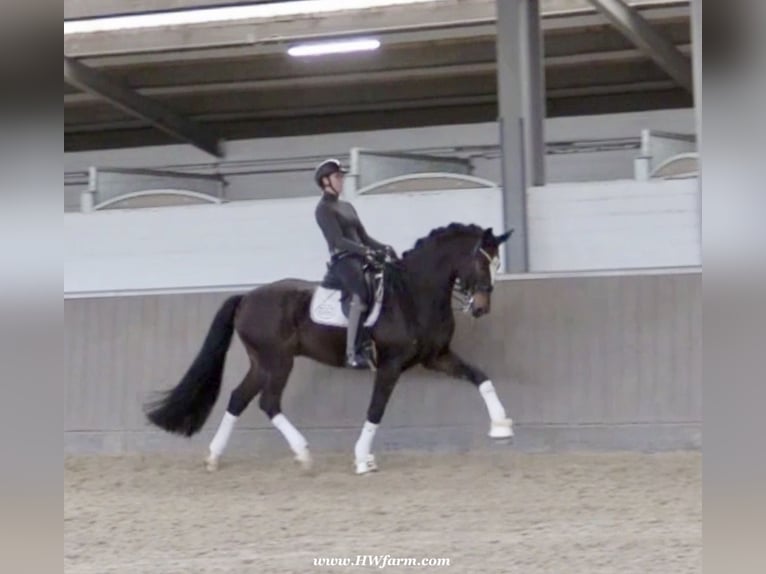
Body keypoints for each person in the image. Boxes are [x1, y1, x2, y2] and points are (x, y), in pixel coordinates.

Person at [313, 158, 396, 369]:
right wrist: (365, 251)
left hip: (360, 256)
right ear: (325, 181)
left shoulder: (347, 207)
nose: (341, 181)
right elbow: (338, 240)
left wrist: (384, 248)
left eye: (341, 177)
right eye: (337, 177)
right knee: (361, 293)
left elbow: (364, 237)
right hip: (343, 261)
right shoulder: (323, 209)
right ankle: (355, 351)